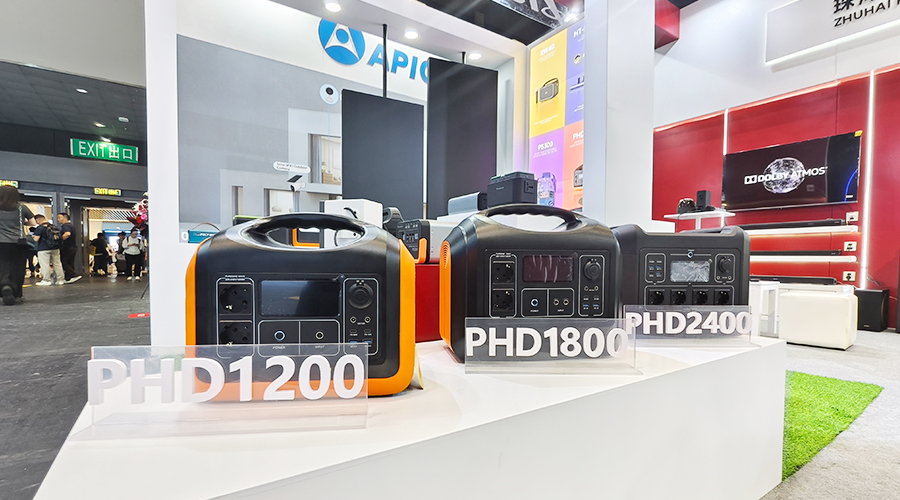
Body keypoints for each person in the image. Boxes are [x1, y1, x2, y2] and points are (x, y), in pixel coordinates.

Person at [0, 186, 36, 304]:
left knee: (2, 266)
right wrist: (21, 223)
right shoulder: (21, 208)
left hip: (1, 242)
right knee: (18, 268)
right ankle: (17, 294)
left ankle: (4, 285)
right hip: (18, 243)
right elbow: (33, 223)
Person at [32, 214, 65, 286]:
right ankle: (60, 280)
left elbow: (36, 239)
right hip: (55, 248)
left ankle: (46, 280)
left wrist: (33, 237)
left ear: (38, 220)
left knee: (45, 265)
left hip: (43, 249)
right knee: (57, 264)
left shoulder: (40, 228)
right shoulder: (54, 227)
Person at [56, 212, 80, 284]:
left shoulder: (66, 226)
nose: (58, 220)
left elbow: (67, 234)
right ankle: (68, 278)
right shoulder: (71, 226)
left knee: (64, 261)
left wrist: (60, 240)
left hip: (67, 247)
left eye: (60, 218)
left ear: (65, 218)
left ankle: (72, 275)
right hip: (72, 247)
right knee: (70, 262)